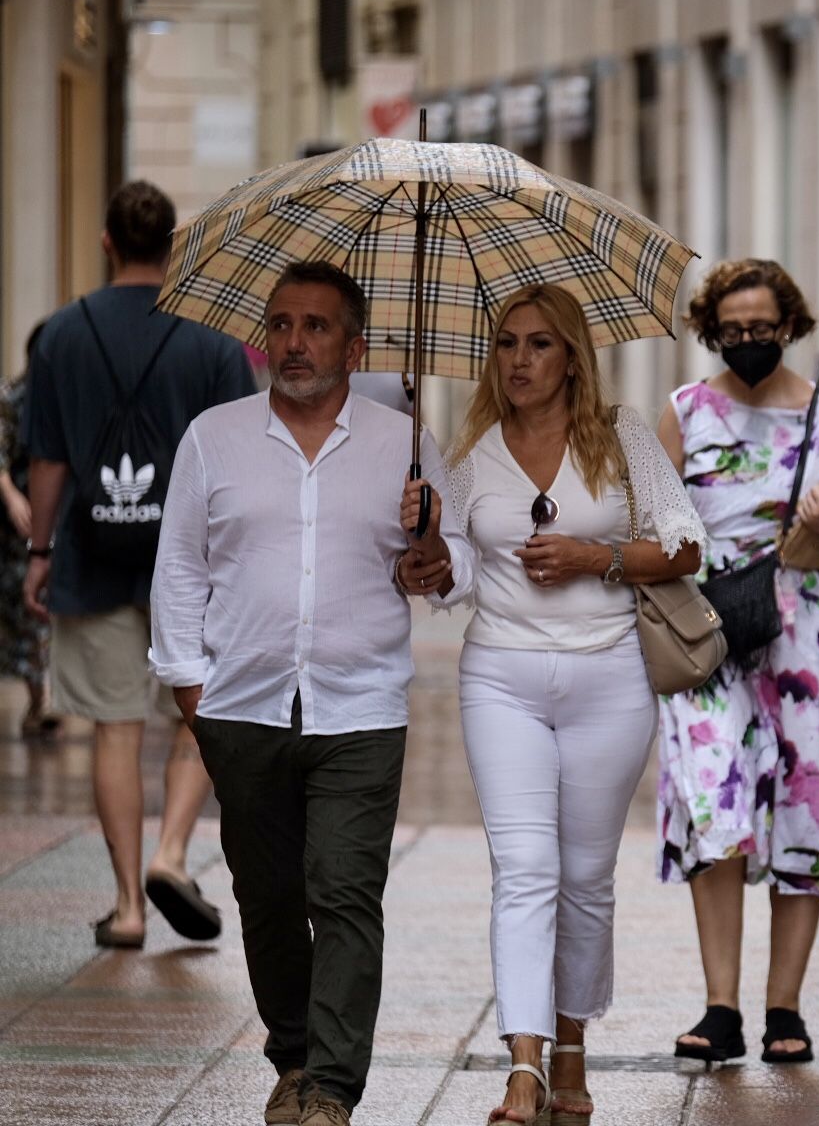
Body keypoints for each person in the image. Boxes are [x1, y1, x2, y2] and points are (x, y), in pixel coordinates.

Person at [149, 260, 470, 1126]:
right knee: (269, 897)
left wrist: (429, 551)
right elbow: (179, 565)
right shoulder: (213, 436)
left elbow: (451, 570)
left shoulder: (401, 443)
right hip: (240, 707)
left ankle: (331, 1085)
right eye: (282, 324)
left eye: (317, 326)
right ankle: (292, 1055)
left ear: (355, 344)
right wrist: (190, 688)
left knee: (344, 891)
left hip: (361, 707)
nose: (294, 342)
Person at [434, 284, 705, 1124]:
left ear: (572, 355)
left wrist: (598, 556)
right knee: (524, 871)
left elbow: (687, 543)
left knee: (585, 879)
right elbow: (454, 570)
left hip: (609, 679)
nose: (519, 360)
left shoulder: (623, 436)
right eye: (507, 343)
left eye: (539, 344)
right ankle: (524, 1066)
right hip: (502, 676)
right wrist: (427, 555)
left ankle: (573, 1042)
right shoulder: (470, 447)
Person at [657, 258, 819, 1066]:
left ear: (790, 326)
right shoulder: (684, 413)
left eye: (764, 328)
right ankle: (720, 1005)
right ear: (711, 331)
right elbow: (654, 527)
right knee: (714, 807)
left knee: (806, 810)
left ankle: (783, 1009)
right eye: (733, 331)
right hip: (709, 637)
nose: (750, 341)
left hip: (806, 637)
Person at [25, 180, 256, 948]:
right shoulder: (214, 341)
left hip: (92, 554)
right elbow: (238, 459)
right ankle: (171, 854)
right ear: (173, 245)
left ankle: (127, 905)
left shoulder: (59, 335)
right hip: (195, 560)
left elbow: (48, 461)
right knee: (198, 717)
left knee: (114, 730)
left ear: (106, 242)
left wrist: (39, 551)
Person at [2, 324, 57, 737]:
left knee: (39, 612)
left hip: (48, 519)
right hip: (14, 528)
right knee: (25, 612)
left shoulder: (59, 399)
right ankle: (41, 700)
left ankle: (43, 700)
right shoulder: (12, 397)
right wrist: (9, 493)